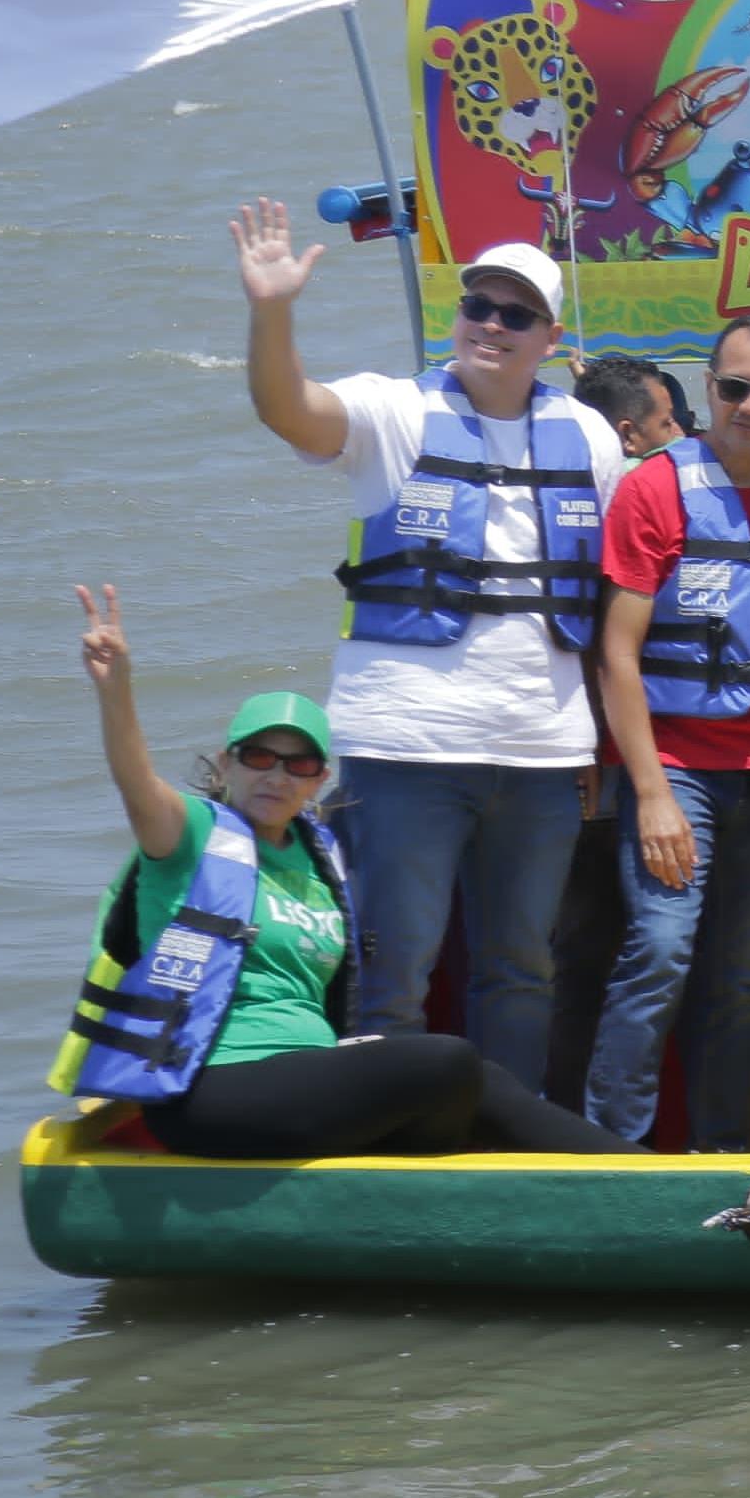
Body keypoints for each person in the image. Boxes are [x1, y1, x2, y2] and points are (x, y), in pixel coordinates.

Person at [232, 201, 626, 1081]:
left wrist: (598, 737)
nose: (490, 324)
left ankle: (506, 1152)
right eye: (476, 305)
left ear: (550, 337)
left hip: (542, 753)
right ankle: (391, 1152)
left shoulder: (591, 434)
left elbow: (608, 598)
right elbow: (289, 411)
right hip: (405, 743)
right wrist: (272, 311)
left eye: (515, 313)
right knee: (391, 970)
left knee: (523, 971)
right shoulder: (391, 410)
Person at [58, 586, 630, 1159]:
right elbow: (136, 784)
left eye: (299, 764)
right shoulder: (194, 838)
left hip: (311, 1078)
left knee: (485, 1080)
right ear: (226, 764)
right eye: (259, 757)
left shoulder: (318, 857)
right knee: (445, 1059)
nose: (277, 776)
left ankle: (646, 1179)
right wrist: (116, 690)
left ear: (317, 781)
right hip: (214, 1086)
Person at [584, 311, 750, 1148]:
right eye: (733, 387)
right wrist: (653, 793)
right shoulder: (653, 489)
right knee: (661, 951)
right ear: (708, 387)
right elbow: (616, 655)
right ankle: (609, 1148)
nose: (749, 405)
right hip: (677, 772)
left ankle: (720, 1155)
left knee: (746, 980)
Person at [544, 352, 689, 1104]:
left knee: (605, 961)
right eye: (669, 422)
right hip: (601, 776)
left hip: (629, 770)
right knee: (595, 960)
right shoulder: (635, 509)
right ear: (628, 434)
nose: (684, 436)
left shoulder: (562, 503)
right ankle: (584, 1128)